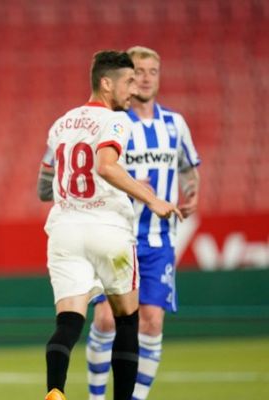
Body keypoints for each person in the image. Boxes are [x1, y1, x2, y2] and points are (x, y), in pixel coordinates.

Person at [37, 50, 183, 400]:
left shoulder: (62, 122)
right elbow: (105, 165)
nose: (133, 90)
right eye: (128, 81)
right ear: (106, 83)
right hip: (108, 230)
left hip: (65, 230)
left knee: (69, 323)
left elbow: (45, 183)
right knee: (127, 320)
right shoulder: (118, 121)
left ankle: (55, 390)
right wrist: (152, 199)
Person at [84, 46, 201, 400]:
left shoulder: (174, 124)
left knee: (151, 323)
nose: (146, 78)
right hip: (117, 236)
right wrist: (135, 185)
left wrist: (191, 192)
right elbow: (97, 170)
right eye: (139, 71)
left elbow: (188, 165)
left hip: (159, 238)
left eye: (153, 71)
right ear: (126, 79)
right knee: (106, 320)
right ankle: (96, 397)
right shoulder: (113, 122)